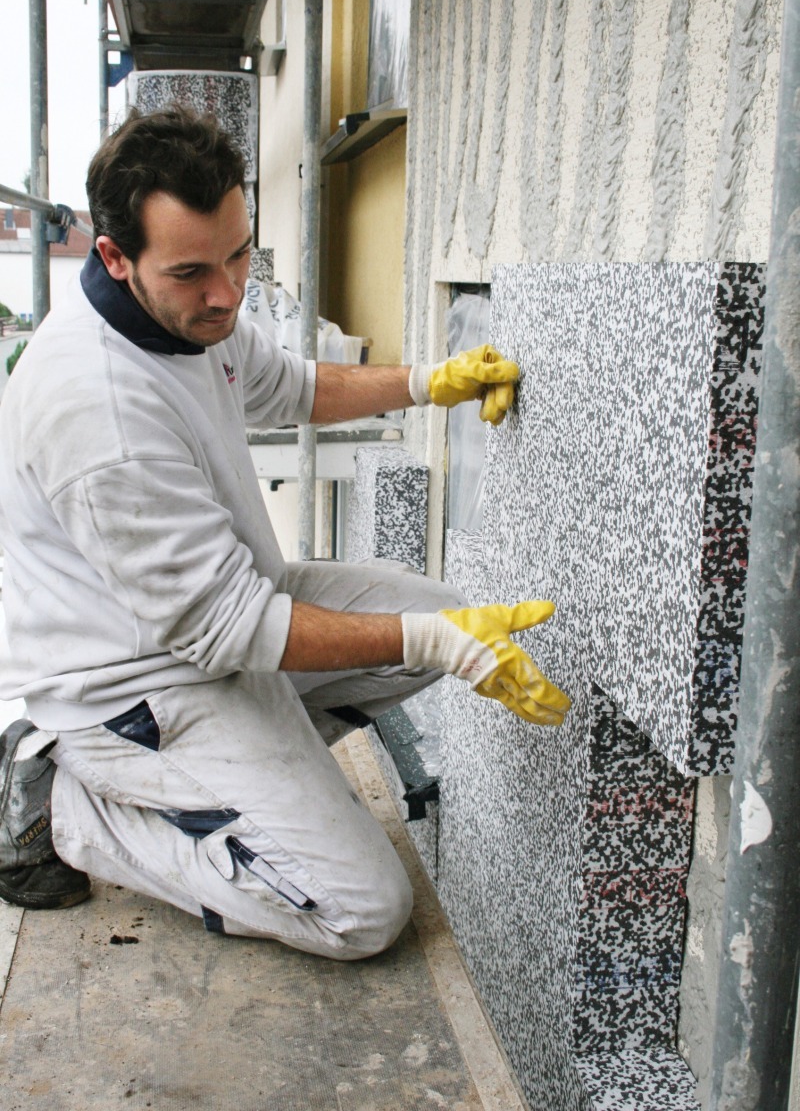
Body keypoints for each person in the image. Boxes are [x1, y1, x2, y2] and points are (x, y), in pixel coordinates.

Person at [0, 106, 569, 959]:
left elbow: (289, 387)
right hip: (132, 690)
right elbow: (228, 628)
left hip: (221, 624)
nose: (226, 292)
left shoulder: (189, 315)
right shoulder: (99, 409)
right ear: (114, 258)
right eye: (192, 271)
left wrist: (429, 381)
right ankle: (67, 808)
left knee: (436, 614)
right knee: (362, 910)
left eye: (238, 254)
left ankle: (249, 783)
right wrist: (444, 644)